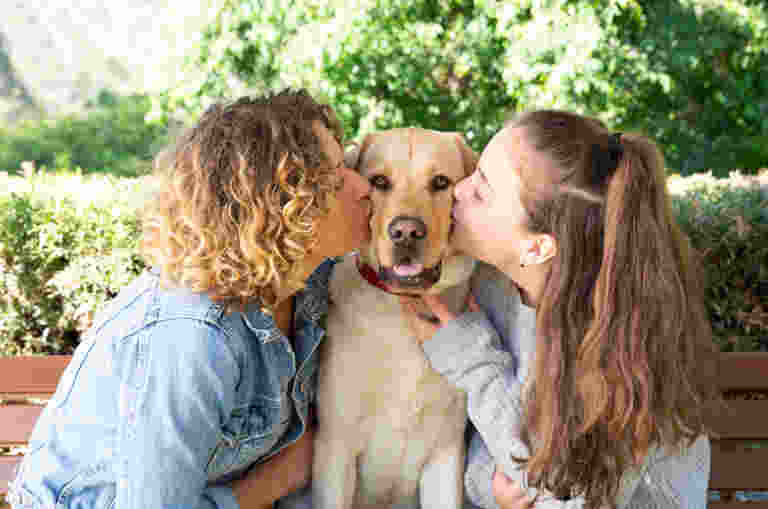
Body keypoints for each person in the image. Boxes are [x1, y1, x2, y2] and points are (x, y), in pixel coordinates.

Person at [8, 90, 372, 509]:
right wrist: (282, 476)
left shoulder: (304, 283)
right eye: (336, 177)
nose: (363, 188)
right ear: (276, 205)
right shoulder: (194, 336)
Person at [401, 110, 722, 509]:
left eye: (482, 191)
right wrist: (498, 490)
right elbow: (488, 467)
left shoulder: (623, 349)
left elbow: (568, 497)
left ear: (537, 247)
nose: (459, 191)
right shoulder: (495, 292)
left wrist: (476, 365)